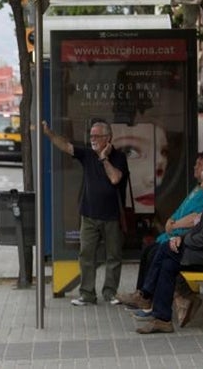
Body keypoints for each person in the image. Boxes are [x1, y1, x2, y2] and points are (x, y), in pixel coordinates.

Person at [134, 160, 203, 334]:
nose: (201, 183)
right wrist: (180, 238)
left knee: (166, 249)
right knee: (168, 262)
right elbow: (200, 229)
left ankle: (146, 294)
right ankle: (162, 318)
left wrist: (181, 240)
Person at [116, 150, 203, 317]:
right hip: (177, 235)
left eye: (199, 164)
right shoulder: (198, 189)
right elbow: (182, 210)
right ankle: (144, 296)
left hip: (187, 241)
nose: (195, 166)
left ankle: (148, 299)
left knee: (158, 254)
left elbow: (196, 219)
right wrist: (170, 220)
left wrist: (174, 226)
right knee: (149, 251)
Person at [42, 119, 129, 306]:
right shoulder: (87, 155)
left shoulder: (119, 158)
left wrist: (104, 158)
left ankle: (110, 293)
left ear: (108, 138)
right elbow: (66, 147)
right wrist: (49, 134)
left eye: (97, 136)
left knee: (113, 256)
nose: (93, 140)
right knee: (86, 254)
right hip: (89, 214)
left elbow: (115, 179)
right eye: (91, 136)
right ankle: (87, 294)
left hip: (112, 216)